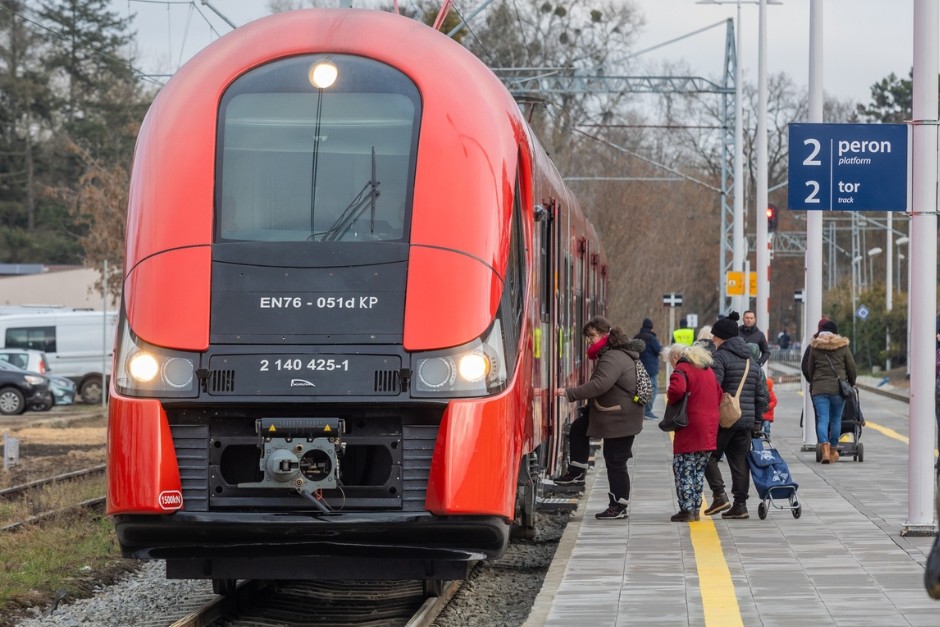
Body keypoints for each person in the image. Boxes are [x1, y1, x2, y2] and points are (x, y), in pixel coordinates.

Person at [555, 317, 646, 520]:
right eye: (587, 336)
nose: (589, 340)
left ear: (606, 335)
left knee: (616, 461)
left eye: (592, 336)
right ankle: (577, 470)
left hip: (620, 418)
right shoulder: (615, 354)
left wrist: (568, 392)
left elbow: (599, 385)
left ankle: (618, 505)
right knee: (579, 427)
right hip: (614, 414)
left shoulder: (612, 357)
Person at [702, 312, 769, 520]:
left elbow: (713, 388)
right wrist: (757, 421)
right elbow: (762, 395)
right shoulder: (751, 359)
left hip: (725, 419)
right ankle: (740, 505)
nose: (712, 340)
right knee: (740, 462)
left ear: (723, 337)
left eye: (714, 337)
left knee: (707, 456)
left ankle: (720, 494)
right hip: (746, 421)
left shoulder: (720, 358)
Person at [663, 343, 722, 522]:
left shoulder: (682, 368)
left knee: (684, 468)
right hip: (710, 426)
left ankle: (687, 510)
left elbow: (676, 390)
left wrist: (673, 397)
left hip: (691, 425)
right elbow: (719, 394)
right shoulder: (708, 370)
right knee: (698, 469)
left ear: (675, 358)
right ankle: (695, 508)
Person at [802, 319, 857, 464]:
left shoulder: (815, 347)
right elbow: (851, 368)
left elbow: (810, 369)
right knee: (835, 419)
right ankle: (833, 450)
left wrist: (814, 383)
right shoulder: (843, 346)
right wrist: (850, 384)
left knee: (822, 419)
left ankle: (824, 450)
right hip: (838, 389)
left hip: (819, 389)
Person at [634, 318, 663, 420]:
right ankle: (647, 411)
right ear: (651, 327)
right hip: (651, 370)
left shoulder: (636, 337)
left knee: (640, 390)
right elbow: (659, 350)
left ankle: (639, 410)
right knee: (652, 390)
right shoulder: (652, 338)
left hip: (639, 368)